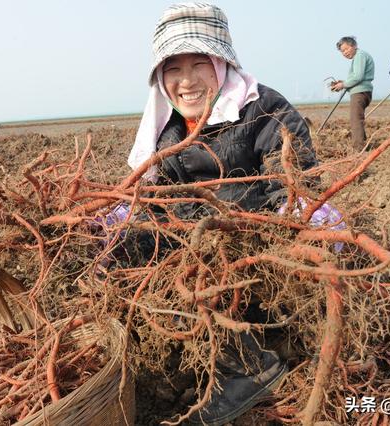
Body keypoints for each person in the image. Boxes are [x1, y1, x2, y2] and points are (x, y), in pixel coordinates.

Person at [126, 3, 320, 424]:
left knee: (196, 260)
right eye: (173, 68)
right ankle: (167, 354)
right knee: (127, 245)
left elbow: (291, 197)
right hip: (199, 257)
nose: (187, 81)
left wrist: (223, 237)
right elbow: (163, 207)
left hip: (259, 260)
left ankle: (253, 364)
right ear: (160, 77)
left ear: (223, 63)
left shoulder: (265, 109)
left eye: (200, 63)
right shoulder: (167, 130)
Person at [330, 36, 374, 151]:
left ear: (354, 46)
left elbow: (358, 77)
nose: (344, 53)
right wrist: (343, 83)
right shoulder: (358, 57)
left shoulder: (359, 56)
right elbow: (356, 77)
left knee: (355, 120)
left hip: (360, 92)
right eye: (342, 51)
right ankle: (364, 146)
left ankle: (358, 149)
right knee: (358, 118)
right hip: (361, 91)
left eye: (346, 49)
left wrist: (343, 85)